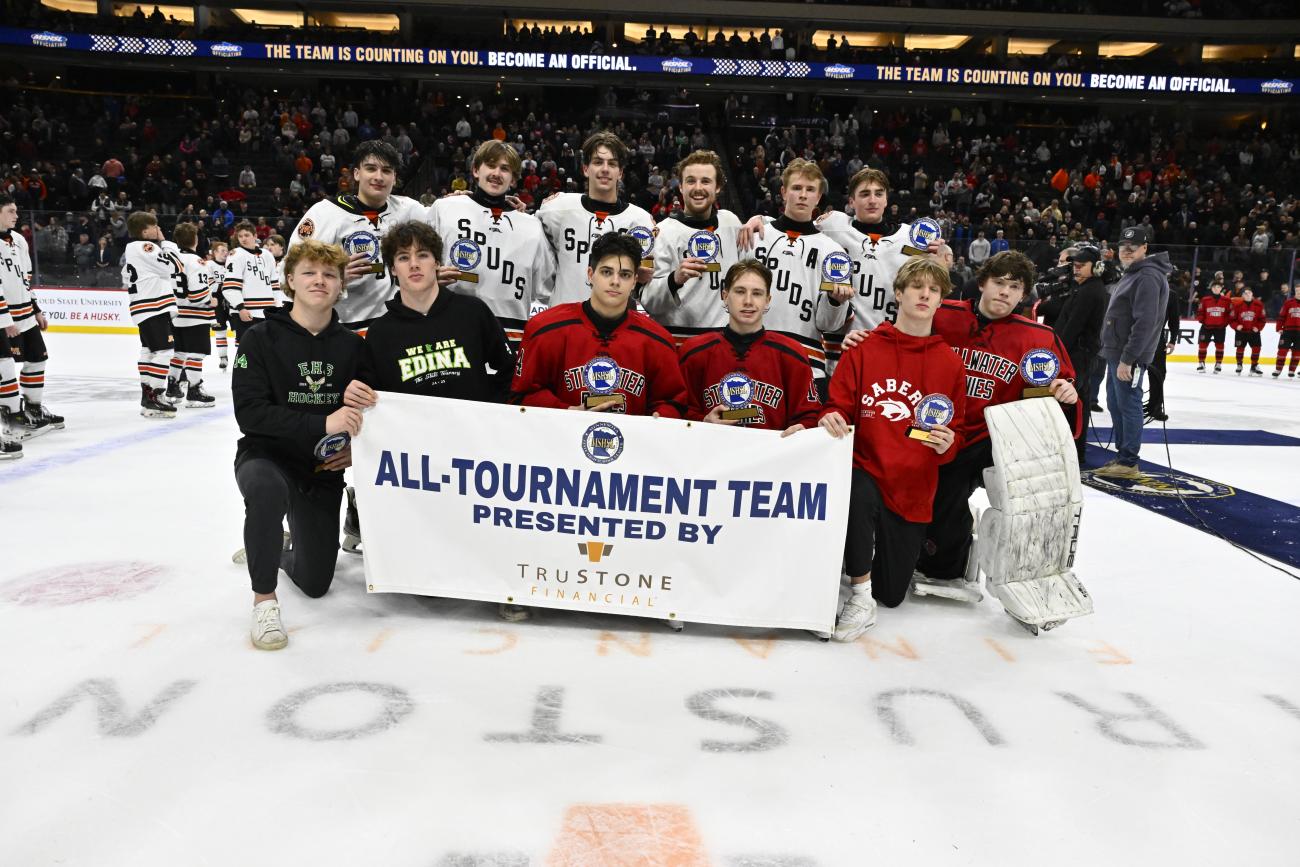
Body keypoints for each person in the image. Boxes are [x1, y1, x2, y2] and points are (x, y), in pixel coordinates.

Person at [840, 251, 1079, 598]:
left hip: (988, 438)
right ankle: (895, 550)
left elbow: (1059, 386)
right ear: (981, 283)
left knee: (979, 485)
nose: (1005, 293)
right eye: (999, 283)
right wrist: (861, 339)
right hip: (927, 428)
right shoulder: (945, 312)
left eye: (1015, 287)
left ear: (1024, 294)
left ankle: (973, 566)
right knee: (923, 478)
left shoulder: (1039, 338)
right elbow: (897, 334)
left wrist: (1067, 390)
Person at [510, 232, 688, 623]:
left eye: (625, 274)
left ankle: (647, 592)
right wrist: (564, 412)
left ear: (635, 281)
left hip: (629, 467)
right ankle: (526, 585)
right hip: (559, 461)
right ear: (589, 274)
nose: (615, 281)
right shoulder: (546, 328)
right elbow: (522, 396)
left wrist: (662, 422)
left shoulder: (656, 340)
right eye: (606, 272)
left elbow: (674, 400)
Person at [818, 257, 966, 640]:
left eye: (933, 290)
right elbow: (839, 405)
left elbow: (955, 434)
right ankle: (859, 594)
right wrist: (831, 415)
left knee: (893, 594)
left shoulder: (949, 363)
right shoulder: (864, 348)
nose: (925, 294)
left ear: (940, 301)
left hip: (912, 487)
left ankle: (868, 577)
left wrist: (947, 444)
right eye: (917, 286)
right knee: (857, 490)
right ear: (899, 293)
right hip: (865, 468)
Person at [232, 239, 364, 651]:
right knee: (267, 490)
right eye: (309, 272)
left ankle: (277, 544)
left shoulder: (355, 348)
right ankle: (263, 601)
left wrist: (357, 449)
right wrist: (323, 421)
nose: (319, 281)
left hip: (321, 471)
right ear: (289, 280)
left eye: (329, 275)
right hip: (265, 458)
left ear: (341, 285)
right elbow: (250, 414)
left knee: (315, 583)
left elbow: (376, 414)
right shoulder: (259, 339)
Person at [347, 220, 514, 403]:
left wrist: (490, 410)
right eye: (403, 257)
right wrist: (357, 394)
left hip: (473, 429)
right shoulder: (380, 332)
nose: (414, 264)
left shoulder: (473, 311)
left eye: (423, 255)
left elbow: (509, 369)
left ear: (437, 262)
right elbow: (374, 398)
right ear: (393, 269)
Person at [287, 140, 426, 334]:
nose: (379, 177)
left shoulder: (408, 209)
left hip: (395, 325)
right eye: (371, 169)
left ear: (394, 177)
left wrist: (463, 201)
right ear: (357, 174)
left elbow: (444, 220)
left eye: (386, 171)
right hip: (343, 328)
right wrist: (332, 275)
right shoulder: (324, 213)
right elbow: (291, 267)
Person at [427, 139, 553, 350]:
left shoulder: (532, 226)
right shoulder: (444, 209)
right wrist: (430, 278)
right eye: (491, 165)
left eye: (505, 169)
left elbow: (544, 288)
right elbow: (417, 261)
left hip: (513, 335)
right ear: (476, 170)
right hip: (452, 330)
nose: (497, 173)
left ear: (513, 179)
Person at [746, 158, 854, 392]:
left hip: (808, 362)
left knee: (802, 428)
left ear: (819, 197)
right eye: (796, 188)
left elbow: (828, 324)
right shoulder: (755, 235)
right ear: (784, 192)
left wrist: (835, 301)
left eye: (810, 189)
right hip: (750, 353)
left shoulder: (833, 252)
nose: (803, 195)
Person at [678, 259, 821, 433]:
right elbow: (678, 413)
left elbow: (810, 415)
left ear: (767, 300)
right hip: (712, 456)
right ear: (725, 296)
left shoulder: (792, 354)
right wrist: (703, 422)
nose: (748, 301)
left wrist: (803, 428)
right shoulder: (694, 352)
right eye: (740, 291)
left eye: (757, 293)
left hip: (771, 458)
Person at [537, 131, 656, 307]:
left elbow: (647, 282)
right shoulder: (556, 209)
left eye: (612, 164)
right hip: (565, 319)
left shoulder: (641, 221)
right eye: (598, 162)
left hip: (616, 322)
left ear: (620, 172)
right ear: (586, 169)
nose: (605, 169)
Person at [640, 150, 743, 344]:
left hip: (722, 343)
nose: (698, 188)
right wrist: (674, 279)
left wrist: (759, 219)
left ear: (718, 187)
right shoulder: (662, 233)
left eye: (705, 181)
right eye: (690, 181)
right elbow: (649, 301)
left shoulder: (731, 223)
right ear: (681, 187)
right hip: (676, 343)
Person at [1095, 225, 1172, 478]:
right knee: (1116, 403)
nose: (1126, 252)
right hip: (1117, 352)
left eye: (1132, 248)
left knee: (1128, 404)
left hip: (1128, 355)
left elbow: (1145, 322)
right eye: (1123, 248)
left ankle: (1128, 462)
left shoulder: (1147, 276)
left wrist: (1128, 358)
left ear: (1144, 249)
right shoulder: (1133, 273)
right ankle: (1122, 457)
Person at [0, 194, 62, 445]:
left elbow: (24, 279)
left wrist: (36, 309)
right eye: (11, 211)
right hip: (6, 315)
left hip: (24, 312)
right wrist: (5, 318)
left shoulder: (17, 240)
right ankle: (11, 413)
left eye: (16, 210)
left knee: (38, 357)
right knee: (5, 365)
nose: (16, 215)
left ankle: (32, 408)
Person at [122, 212, 185, 419]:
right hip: (154, 305)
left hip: (143, 306)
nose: (157, 229)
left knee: (149, 350)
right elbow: (175, 266)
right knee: (165, 351)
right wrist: (166, 243)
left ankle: (147, 395)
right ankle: (156, 395)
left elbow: (126, 275)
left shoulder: (132, 250)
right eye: (154, 226)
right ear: (144, 230)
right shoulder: (146, 247)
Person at [1052, 244, 1108, 463]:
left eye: (1082, 265)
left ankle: (1073, 451)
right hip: (1078, 355)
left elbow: (1073, 327)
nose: (1076, 268)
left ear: (1096, 267)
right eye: (1075, 264)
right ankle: (1075, 451)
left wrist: (1057, 353)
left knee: (1072, 404)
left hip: (1076, 356)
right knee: (1077, 404)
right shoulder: (1086, 288)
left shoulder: (1090, 292)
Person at [165, 223, 216, 407]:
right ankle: (194, 390)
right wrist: (210, 300)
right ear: (195, 239)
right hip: (195, 314)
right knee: (196, 353)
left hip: (175, 313)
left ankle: (172, 387)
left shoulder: (171, 259)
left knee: (179, 352)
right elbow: (197, 295)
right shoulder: (196, 261)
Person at [222, 220, 280, 343]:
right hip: (247, 312)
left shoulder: (267, 255)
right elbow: (229, 287)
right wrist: (240, 308)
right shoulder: (236, 255)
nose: (243, 239)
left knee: (266, 352)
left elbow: (275, 284)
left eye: (247, 235)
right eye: (240, 236)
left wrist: (278, 307)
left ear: (255, 236)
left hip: (267, 312)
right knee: (245, 353)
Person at [1194, 280, 1230, 373]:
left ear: (1221, 288)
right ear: (1212, 289)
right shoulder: (1205, 300)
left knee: (1220, 346)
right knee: (1202, 345)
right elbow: (1200, 312)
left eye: (1218, 287)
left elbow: (1229, 314)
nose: (1216, 289)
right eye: (1214, 287)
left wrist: (1224, 323)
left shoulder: (1226, 300)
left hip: (1220, 328)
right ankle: (1201, 363)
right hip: (1206, 327)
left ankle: (1218, 363)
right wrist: (1202, 321)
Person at [1229, 287, 1266, 376]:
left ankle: (1254, 365)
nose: (1247, 294)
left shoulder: (1259, 305)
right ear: (1242, 295)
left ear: (1252, 294)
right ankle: (1239, 365)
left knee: (1256, 348)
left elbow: (1262, 319)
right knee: (1240, 348)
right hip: (1241, 332)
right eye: (1245, 293)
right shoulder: (1237, 306)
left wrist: (1258, 327)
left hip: (1254, 332)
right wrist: (1236, 326)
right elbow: (1231, 319)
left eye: (1249, 292)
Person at [208, 241, 231, 369]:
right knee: (219, 330)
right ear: (215, 252)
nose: (225, 253)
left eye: (226, 250)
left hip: (233, 300)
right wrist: (226, 285)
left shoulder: (232, 264)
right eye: (222, 250)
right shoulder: (209, 265)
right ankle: (223, 357)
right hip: (217, 301)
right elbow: (210, 284)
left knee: (238, 330)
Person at [1275, 288, 1300, 378]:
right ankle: (1278, 369)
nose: (1299, 293)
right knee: (1282, 350)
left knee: (1297, 353)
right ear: (1295, 293)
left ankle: (1291, 371)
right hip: (1287, 331)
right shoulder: (1288, 303)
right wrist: (1279, 328)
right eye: (1297, 292)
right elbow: (1281, 316)